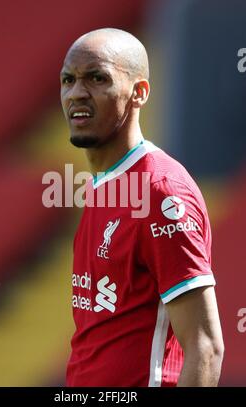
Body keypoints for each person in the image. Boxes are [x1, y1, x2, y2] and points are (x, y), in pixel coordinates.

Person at [60, 28, 224, 387]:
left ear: (139, 93)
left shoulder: (161, 192)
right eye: (68, 80)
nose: (76, 93)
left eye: (97, 78)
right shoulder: (102, 185)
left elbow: (206, 347)